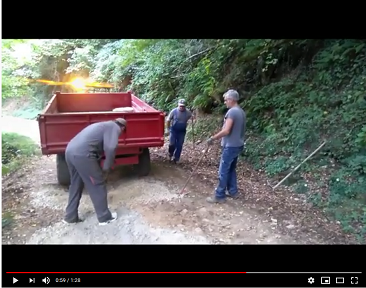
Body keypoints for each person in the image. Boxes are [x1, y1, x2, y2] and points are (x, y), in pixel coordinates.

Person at [63, 118, 127, 225]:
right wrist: (107, 167)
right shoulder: (114, 127)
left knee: (75, 184)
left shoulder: (102, 125)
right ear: (122, 127)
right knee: (97, 183)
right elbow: (111, 147)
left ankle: (70, 216)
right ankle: (104, 217)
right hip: (82, 155)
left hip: (70, 151)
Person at [206, 89, 246, 203]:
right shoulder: (241, 112)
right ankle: (233, 191)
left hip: (231, 146)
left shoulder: (232, 112)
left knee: (223, 171)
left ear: (231, 100)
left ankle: (219, 195)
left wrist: (213, 138)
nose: (225, 102)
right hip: (238, 145)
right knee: (231, 169)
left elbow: (226, 130)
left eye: (226, 100)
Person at [165, 99, 192, 164]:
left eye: (183, 106)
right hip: (174, 130)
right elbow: (168, 120)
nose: (182, 107)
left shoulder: (188, 112)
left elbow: (190, 117)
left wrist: (191, 120)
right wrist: (168, 129)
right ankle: (170, 154)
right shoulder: (174, 111)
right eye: (180, 106)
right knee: (172, 143)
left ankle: (176, 158)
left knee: (179, 144)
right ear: (178, 105)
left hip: (182, 131)